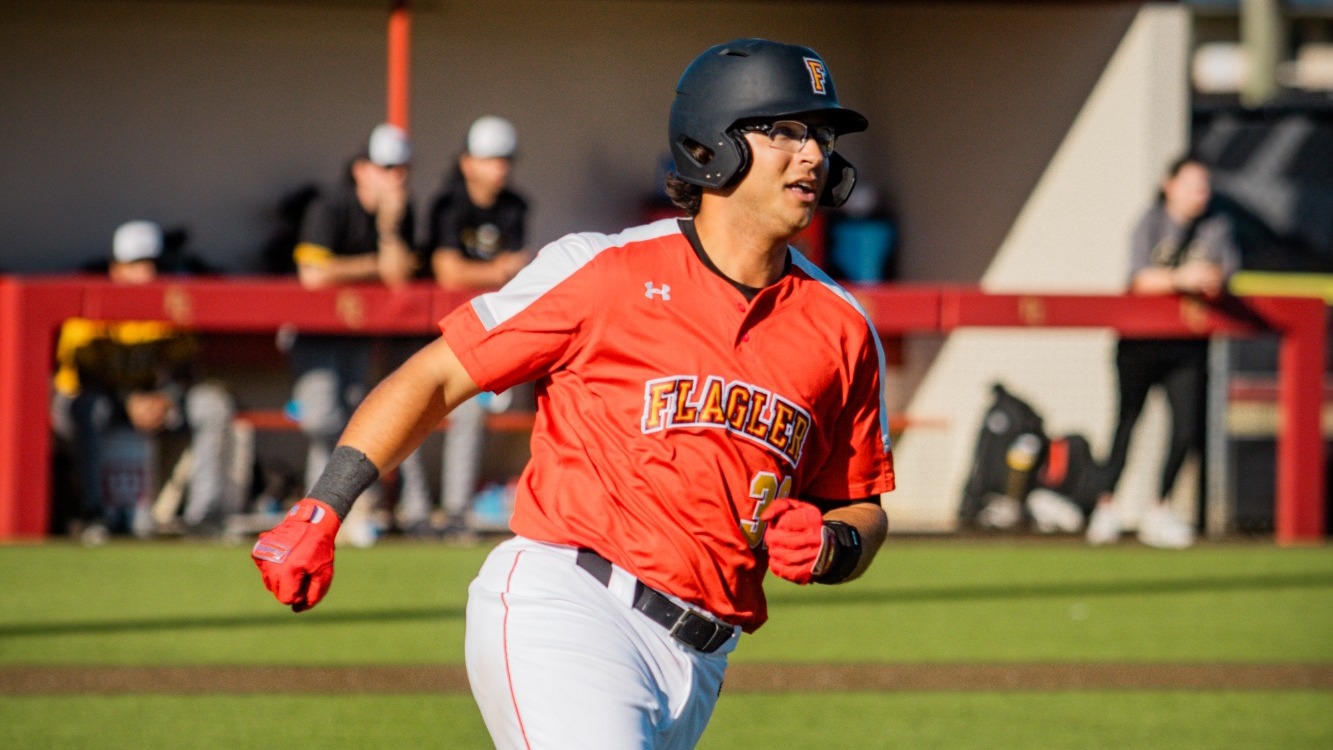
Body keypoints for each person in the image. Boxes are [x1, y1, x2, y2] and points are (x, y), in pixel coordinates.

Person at [253, 39, 894, 748]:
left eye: (823, 137)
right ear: (712, 143)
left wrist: (836, 544)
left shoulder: (842, 325)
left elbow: (859, 502)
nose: (813, 155)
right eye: (786, 131)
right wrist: (325, 504)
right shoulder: (604, 270)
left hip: (703, 658)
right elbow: (436, 375)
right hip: (570, 607)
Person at [286, 123, 432, 547]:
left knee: (358, 421)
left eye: (403, 168)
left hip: (360, 336)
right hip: (312, 332)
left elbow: (400, 277)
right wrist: (374, 264)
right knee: (322, 419)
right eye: (387, 167)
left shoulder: (400, 212)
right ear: (362, 168)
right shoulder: (329, 206)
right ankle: (318, 513)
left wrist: (388, 229)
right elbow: (313, 277)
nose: (396, 177)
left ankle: (335, 516)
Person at [52, 220, 240, 543]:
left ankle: (204, 515)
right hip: (103, 404)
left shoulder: (170, 303)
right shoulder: (91, 303)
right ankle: (93, 513)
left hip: (156, 402)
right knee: (89, 407)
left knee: (211, 404)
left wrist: (166, 396)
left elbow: (186, 368)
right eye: (138, 265)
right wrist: (128, 400)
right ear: (116, 268)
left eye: (154, 265)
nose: (148, 274)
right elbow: (80, 377)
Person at [1086, 156, 1240, 549]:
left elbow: (1226, 276)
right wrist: (1179, 278)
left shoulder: (1217, 226)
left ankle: (1159, 510)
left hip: (1187, 345)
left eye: (1204, 185)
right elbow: (1139, 279)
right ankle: (1105, 508)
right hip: (1139, 343)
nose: (1199, 194)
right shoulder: (1150, 222)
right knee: (1127, 424)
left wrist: (1211, 281)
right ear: (1169, 184)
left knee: (1186, 427)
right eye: (1191, 184)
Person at [394, 115, 534, 540]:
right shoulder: (447, 205)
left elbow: (520, 270)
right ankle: (414, 509)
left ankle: (455, 511)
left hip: (484, 331)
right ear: (468, 162)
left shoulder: (515, 206)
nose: (500, 168)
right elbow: (448, 271)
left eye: (505, 159)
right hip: (431, 332)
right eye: (491, 159)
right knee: (409, 409)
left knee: (471, 415)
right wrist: (495, 269)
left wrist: (488, 271)